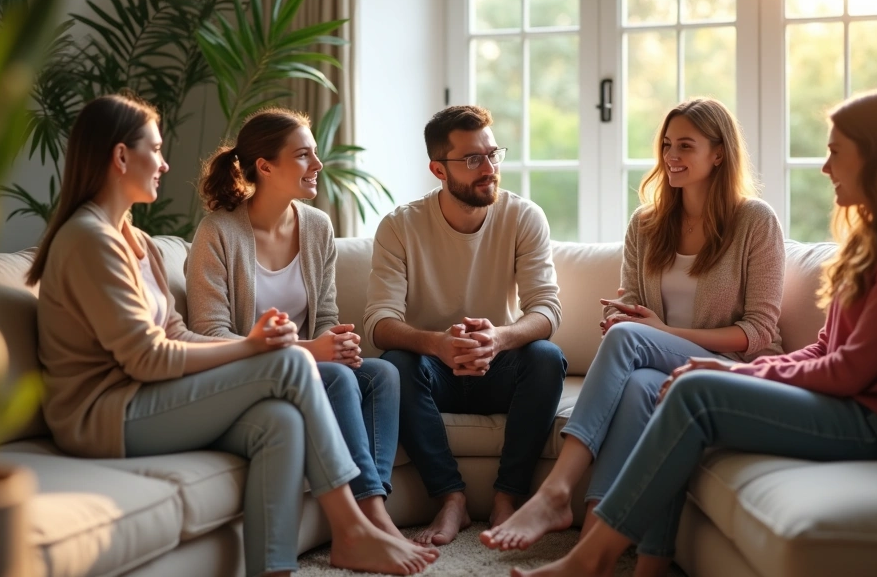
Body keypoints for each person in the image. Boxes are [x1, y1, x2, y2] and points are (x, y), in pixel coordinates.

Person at [512, 89, 877, 577]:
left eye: (835, 151)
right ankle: (646, 567)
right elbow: (826, 347)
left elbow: (852, 370)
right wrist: (730, 371)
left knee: (693, 391)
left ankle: (586, 556)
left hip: (867, 420)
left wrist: (743, 375)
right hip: (848, 402)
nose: (825, 168)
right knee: (660, 386)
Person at [28, 94, 438, 577]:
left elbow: (176, 332)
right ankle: (352, 528)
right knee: (291, 363)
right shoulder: (89, 240)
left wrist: (263, 347)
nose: (163, 163)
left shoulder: (135, 240)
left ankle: (274, 569)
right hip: (102, 415)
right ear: (121, 157)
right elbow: (146, 359)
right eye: (155, 150)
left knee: (279, 422)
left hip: (145, 398)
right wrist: (255, 346)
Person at [483, 98, 785, 577]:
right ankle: (608, 550)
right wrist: (625, 318)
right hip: (662, 364)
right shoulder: (646, 224)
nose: (671, 156)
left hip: (731, 369)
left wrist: (656, 332)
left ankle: (558, 492)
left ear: (719, 154)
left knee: (629, 342)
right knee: (643, 385)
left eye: (686, 145)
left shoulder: (755, 222)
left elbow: (759, 332)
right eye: (667, 144)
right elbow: (635, 310)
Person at [186, 108, 411, 544]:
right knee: (336, 379)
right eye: (304, 155)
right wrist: (312, 352)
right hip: (244, 375)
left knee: (383, 373)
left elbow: (325, 315)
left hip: (308, 366)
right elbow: (210, 336)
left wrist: (337, 343)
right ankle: (371, 522)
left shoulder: (316, 227)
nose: (318, 165)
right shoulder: (217, 233)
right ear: (266, 167)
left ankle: (374, 503)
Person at [364, 105, 568, 546]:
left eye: (493, 155)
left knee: (547, 358)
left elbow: (547, 310)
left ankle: (507, 497)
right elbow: (378, 323)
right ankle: (450, 498)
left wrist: (500, 338)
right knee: (395, 363)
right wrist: (436, 344)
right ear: (438, 168)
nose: (489, 169)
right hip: (433, 372)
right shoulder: (400, 226)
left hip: (500, 368)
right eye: (473, 159)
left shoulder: (523, 216)